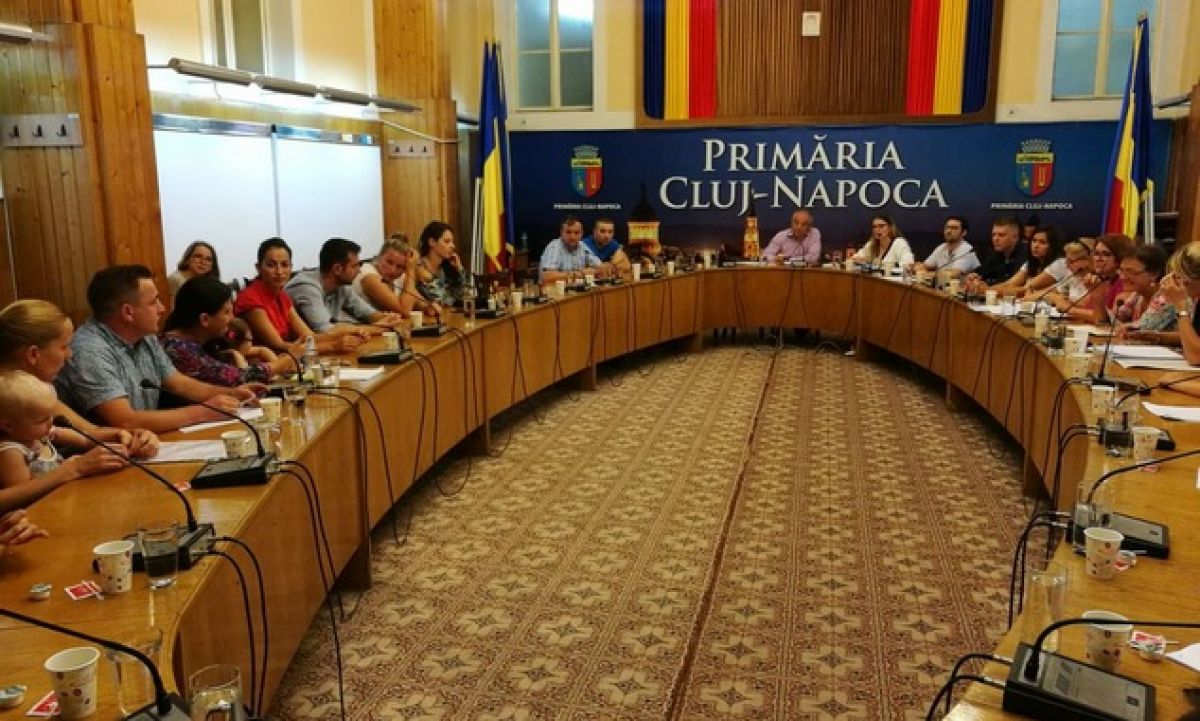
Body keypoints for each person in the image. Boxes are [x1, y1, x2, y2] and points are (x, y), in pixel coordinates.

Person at [55, 265, 256, 433]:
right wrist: (204, 412)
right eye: (153, 302)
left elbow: (179, 384)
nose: (162, 309)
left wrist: (233, 393)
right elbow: (124, 421)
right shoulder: (89, 351)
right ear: (128, 312)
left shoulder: (145, 337)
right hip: (98, 455)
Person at [0, 299, 159, 457]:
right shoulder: (13, 400)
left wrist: (132, 436)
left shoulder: (33, 392)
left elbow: (90, 433)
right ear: (33, 354)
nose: (69, 355)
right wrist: (76, 467)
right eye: (64, 347)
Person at [0, 370, 128, 510]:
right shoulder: (11, 452)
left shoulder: (42, 434)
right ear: (8, 426)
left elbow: (85, 439)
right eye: (41, 420)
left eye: (51, 415)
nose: (50, 422)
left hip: (66, 499)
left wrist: (117, 435)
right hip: (46, 510)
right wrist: (68, 470)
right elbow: (24, 496)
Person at [234, 238, 365, 355]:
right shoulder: (250, 298)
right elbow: (280, 346)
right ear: (258, 268)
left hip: (290, 361)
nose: (279, 272)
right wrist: (332, 346)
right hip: (268, 365)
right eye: (271, 265)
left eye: (285, 265)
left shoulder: (282, 296)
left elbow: (309, 336)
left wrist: (350, 332)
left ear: (291, 267)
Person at [162, 277, 297, 387]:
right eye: (227, 312)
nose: (232, 318)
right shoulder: (178, 349)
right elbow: (236, 378)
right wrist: (287, 360)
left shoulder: (203, 341)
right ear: (205, 319)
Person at [285, 238, 406, 334]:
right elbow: (326, 330)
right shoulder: (307, 287)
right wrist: (376, 328)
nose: (359, 270)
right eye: (354, 266)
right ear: (337, 269)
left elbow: (368, 314)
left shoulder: (341, 286)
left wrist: (388, 319)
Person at [355, 234, 440, 318]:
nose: (393, 270)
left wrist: (427, 307)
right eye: (389, 262)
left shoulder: (400, 277)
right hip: (358, 326)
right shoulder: (368, 275)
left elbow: (416, 300)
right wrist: (411, 270)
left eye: (400, 266)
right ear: (379, 257)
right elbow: (404, 310)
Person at [1062, 234, 1133, 323]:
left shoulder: (1124, 283)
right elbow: (1099, 317)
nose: (1098, 259)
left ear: (1120, 257)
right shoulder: (1102, 280)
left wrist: (1069, 309)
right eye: (1096, 253)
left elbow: (1110, 320)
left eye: (1106, 254)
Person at [991, 225, 1064, 296]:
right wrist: (988, 289)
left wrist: (988, 291)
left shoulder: (1060, 263)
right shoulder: (1031, 263)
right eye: (1034, 241)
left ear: (1053, 246)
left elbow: (1025, 289)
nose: (1036, 246)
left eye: (1042, 242)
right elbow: (1009, 284)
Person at [965, 216, 1027, 292]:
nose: (995, 239)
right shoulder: (996, 254)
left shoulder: (1026, 255)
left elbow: (1011, 285)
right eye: (993, 235)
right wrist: (973, 278)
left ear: (1015, 237)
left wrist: (986, 288)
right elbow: (979, 272)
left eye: (1001, 235)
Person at [538, 215, 608, 283]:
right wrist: (579, 274)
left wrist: (602, 268)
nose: (572, 237)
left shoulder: (582, 245)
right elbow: (546, 276)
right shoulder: (554, 247)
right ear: (561, 233)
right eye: (568, 232)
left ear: (582, 234)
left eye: (576, 233)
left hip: (574, 288)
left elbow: (600, 266)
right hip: (552, 289)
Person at [415, 221, 468, 305]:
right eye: (447, 241)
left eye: (452, 242)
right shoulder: (420, 267)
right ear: (432, 242)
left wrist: (460, 269)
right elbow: (442, 299)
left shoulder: (444, 268)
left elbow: (465, 296)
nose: (452, 246)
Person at [913, 216, 979, 275]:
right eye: (947, 227)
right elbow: (925, 265)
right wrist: (919, 268)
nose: (949, 231)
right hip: (942, 284)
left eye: (954, 228)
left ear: (964, 232)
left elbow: (953, 274)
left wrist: (925, 273)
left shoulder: (968, 251)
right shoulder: (942, 247)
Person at [1039, 239, 1094, 308]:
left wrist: (1062, 300)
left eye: (1071, 261)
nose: (1067, 265)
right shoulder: (1072, 276)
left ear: (1087, 260)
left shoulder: (1096, 280)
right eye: (1066, 260)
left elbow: (1088, 306)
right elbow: (1051, 292)